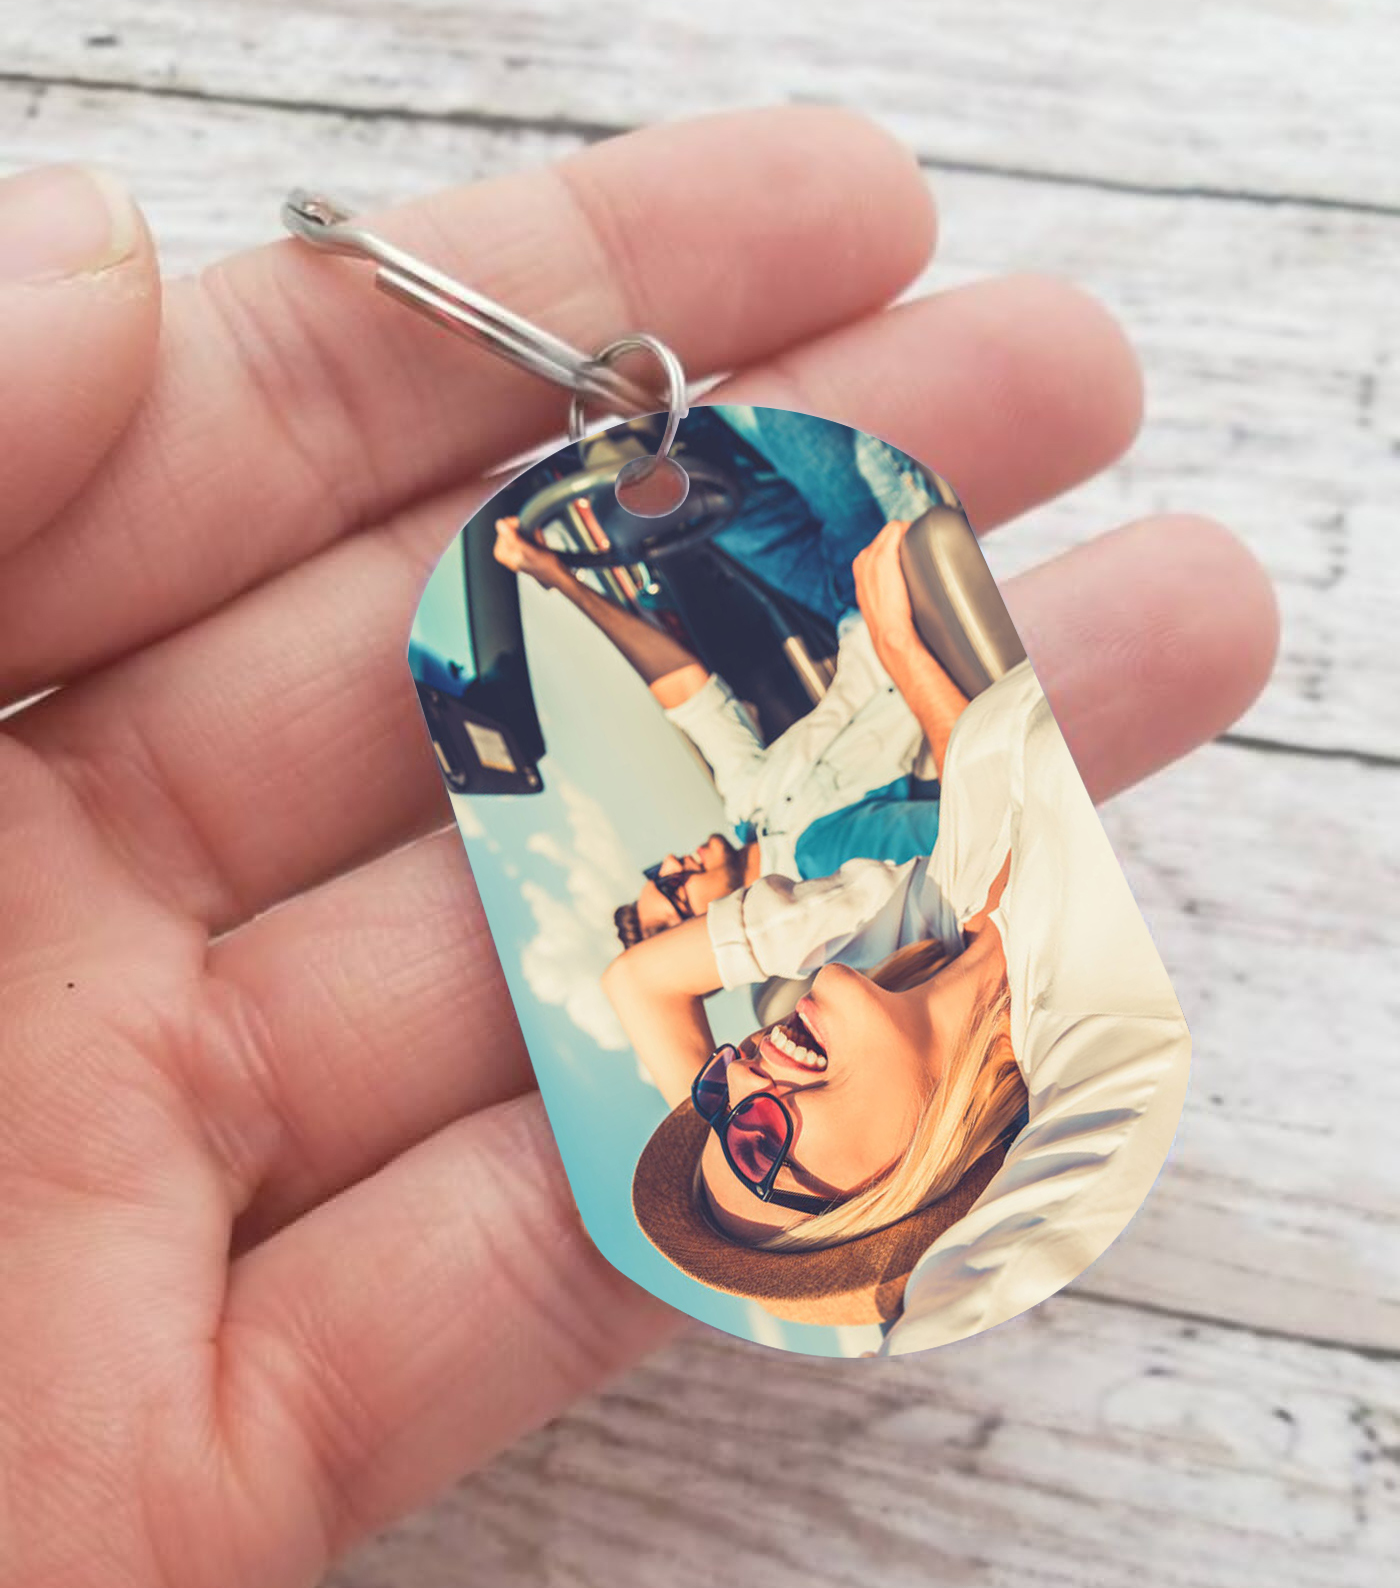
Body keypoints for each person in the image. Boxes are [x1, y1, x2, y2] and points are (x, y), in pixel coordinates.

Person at [0, 116, 1277, 1588]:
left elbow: (645, 979)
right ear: (896, 1193)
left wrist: (570, 586)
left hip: (800, 635)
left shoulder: (869, 909)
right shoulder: (1007, 927)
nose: (745, 1087)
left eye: (722, 1109)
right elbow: (904, 607)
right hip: (839, 591)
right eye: (770, 1156)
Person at [600, 656, 1192, 1340]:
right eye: (755, 1145)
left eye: (713, 1095)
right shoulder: (1101, 1050)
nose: (735, 1070)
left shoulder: (929, 905)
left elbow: (634, 983)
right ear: (890, 1194)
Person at [494, 515, 968, 944]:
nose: (672, 862)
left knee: (718, 505)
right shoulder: (823, 864)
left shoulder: (747, 805)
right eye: (673, 888)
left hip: (851, 611)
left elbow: (688, 692)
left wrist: (559, 578)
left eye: (656, 872)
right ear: (710, 926)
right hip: (932, 627)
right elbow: (973, 820)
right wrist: (895, 638)